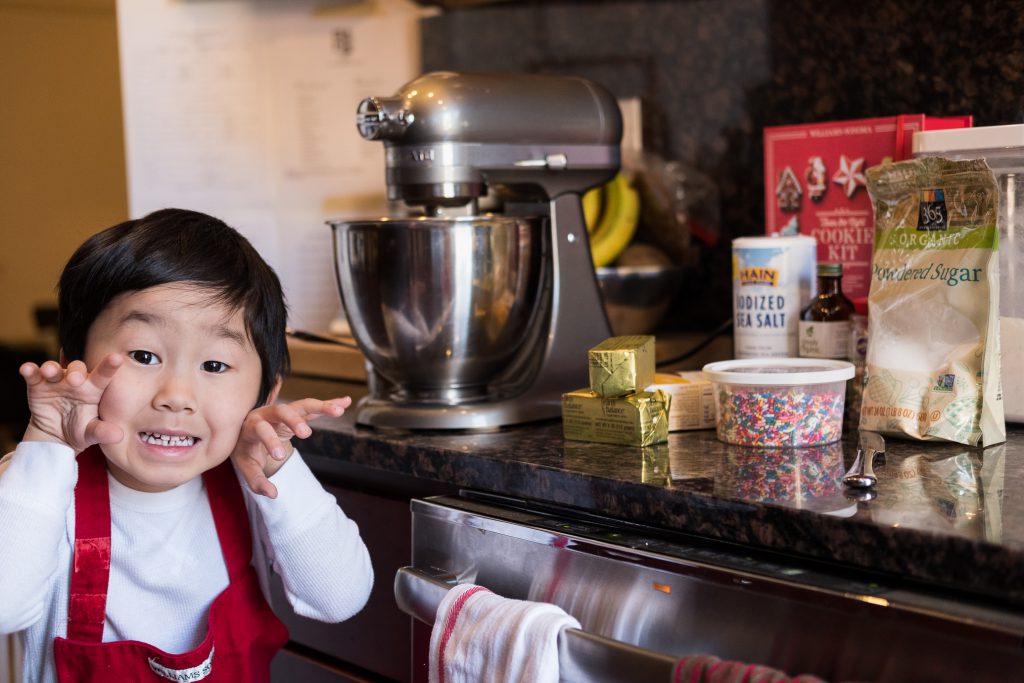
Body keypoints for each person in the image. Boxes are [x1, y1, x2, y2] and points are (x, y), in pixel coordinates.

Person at [0, 208, 373, 682]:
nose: (176, 396)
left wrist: (280, 466)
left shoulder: (251, 488)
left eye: (215, 366)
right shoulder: (40, 490)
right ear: (75, 367)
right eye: (143, 355)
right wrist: (47, 444)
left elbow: (339, 597)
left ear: (266, 393)